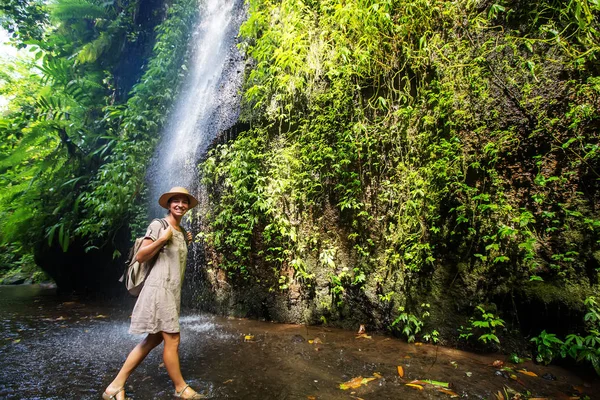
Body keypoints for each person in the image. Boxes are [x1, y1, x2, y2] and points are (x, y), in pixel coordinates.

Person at [103, 187, 204, 400]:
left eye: (184, 202)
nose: (180, 205)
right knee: (173, 339)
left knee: (152, 340)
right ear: (168, 205)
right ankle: (181, 388)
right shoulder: (159, 225)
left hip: (171, 291)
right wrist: (162, 239)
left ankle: (114, 387)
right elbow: (141, 256)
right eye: (175, 201)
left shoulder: (182, 232)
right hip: (159, 289)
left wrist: (184, 240)